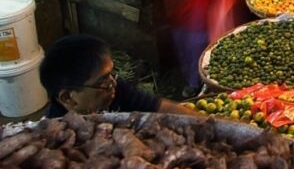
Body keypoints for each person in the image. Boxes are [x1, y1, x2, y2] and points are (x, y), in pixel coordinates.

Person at [39, 35, 198, 118]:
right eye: (103, 80)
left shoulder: (115, 90)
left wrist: (217, 125)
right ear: (68, 98)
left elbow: (160, 107)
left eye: (111, 74)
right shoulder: (56, 128)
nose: (112, 83)